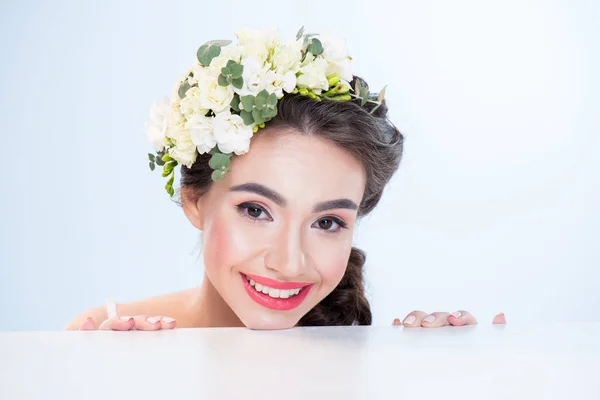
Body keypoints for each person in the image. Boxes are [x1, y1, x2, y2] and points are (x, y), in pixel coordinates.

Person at [66, 28, 505, 331]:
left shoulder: (362, 361)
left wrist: (445, 374)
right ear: (193, 199)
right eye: (256, 210)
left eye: (328, 222)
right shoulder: (100, 338)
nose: (290, 263)